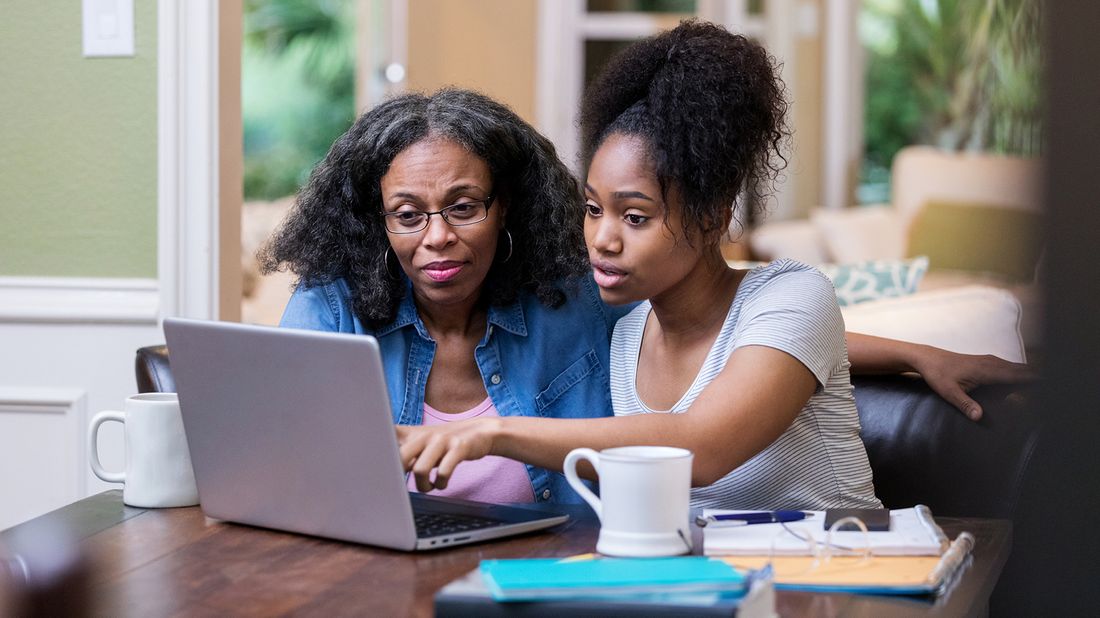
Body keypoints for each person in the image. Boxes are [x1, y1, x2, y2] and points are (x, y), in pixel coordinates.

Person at [262, 86, 1028, 507]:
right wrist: (912, 346)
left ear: (508, 209)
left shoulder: (572, 302)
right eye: (408, 216)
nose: (436, 237)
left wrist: (914, 350)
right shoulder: (332, 308)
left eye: (464, 206)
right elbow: (715, 337)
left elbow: (732, 348)